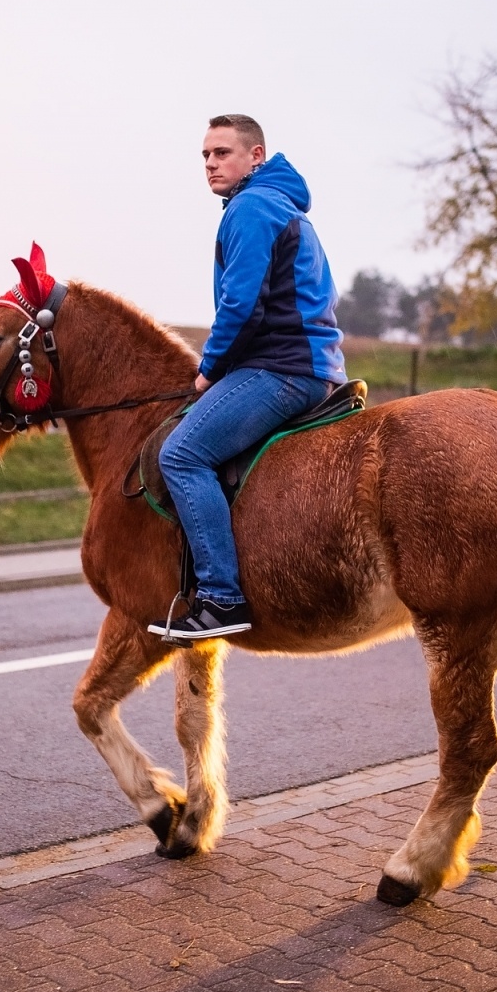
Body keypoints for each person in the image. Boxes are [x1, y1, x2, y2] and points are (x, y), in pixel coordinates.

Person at [147, 114, 347, 642]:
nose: (211, 164)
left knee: (181, 454)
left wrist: (208, 370)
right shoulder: (275, 203)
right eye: (206, 156)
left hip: (281, 368)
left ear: (256, 156)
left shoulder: (252, 207)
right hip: (307, 364)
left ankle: (221, 598)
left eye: (223, 153)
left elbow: (241, 304)